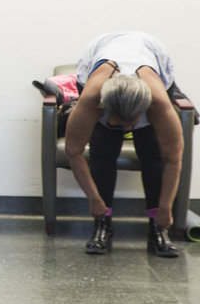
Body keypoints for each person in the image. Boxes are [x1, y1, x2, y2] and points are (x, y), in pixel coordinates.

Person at [64, 31, 183, 257]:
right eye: (119, 123)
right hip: (99, 58)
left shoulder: (158, 103)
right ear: (103, 109)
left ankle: (158, 227)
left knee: (154, 154)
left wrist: (166, 208)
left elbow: (173, 158)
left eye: (132, 123)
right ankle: (102, 224)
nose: (127, 130)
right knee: (102, 151)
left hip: (150, 57)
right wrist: (94, 200)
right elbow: (74, 151)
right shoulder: (91, 99)